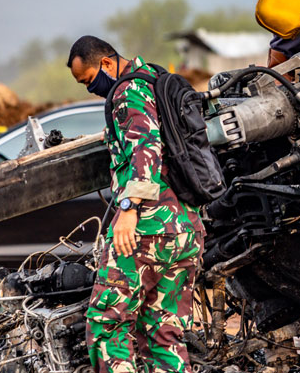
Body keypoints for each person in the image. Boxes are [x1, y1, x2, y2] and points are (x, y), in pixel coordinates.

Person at [67, 35, 205, 373]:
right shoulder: (156, 81)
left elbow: (145, 150)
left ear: (107, 63)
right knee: (163, 333)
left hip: (146, 227)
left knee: (106, 326)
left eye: (89, 80)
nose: (91, 89)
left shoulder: (127, 92)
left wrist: (127, 210)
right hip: (184, 228)